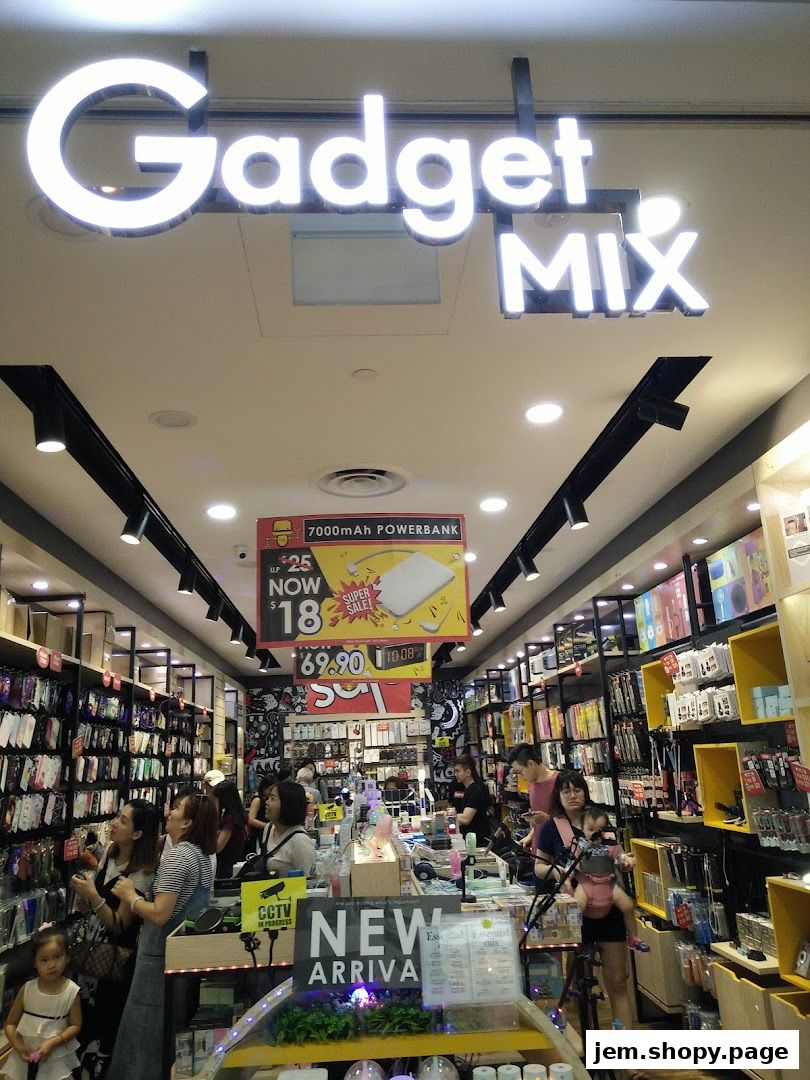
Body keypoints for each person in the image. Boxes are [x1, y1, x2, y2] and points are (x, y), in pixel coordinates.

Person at [107, 792, 217, 1080]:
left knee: (144, 1035)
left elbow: (159, 914)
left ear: (188, 823)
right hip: (179, 956)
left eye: (177, 809)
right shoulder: (201, 855)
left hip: (158, 960)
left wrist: (130, 896)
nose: (169, 813)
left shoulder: (179, 856)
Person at [534, 769, 634, 1030]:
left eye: (577, 789)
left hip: (608, 906)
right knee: (581, 982)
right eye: (566, 790)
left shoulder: (600, 820)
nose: (572, 795)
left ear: (585, 791)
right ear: (559, 795)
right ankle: (590, 1042)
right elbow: (539, 867)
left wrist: (624, 863)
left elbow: (616, 854)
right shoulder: (551, 828)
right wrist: (556, 872)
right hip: (576, 911)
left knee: (618, 980)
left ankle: (628, 1057)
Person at [70, 799, 160, 1076]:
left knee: (104, 1024)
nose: (113, 823)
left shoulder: (142, 873)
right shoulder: (109, 854)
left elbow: (120, 925)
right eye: (116, 817)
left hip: (113, 963)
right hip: (91, 955)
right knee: (81, 1022)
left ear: (137, 834)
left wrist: (94, 897)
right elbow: (97, 905)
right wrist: (86, 899)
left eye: (122, 820)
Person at [2, 925, 82, 1080]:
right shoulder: (27, 989)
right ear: (35, 962)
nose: (52, 965)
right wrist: (17, 1045)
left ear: (67, 956)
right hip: (23, 1057)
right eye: (44, 960)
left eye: (57, 957)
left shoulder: (71, 991)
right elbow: (10, 1023)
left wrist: (54, 1042)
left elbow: (76, 1025)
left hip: (55, 1058)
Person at [573, 804, 649, 954]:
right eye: (590, 830)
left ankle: (633, 938)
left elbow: (621, 856)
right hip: (586, 883)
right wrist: (565, 879)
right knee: (576, 908)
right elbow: (571, 864)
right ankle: (577, 939)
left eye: (600, 830)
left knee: (627, 906)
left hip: (608, 883)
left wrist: (626, 860)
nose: (595, 834)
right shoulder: (579, 846)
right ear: (581, 828)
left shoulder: (611, 845)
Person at [507, 742, 558, 853]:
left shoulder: (560, 782)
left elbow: (572, 820)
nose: (521, 776)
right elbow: (538, 819)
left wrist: (546, 819)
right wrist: (531, 835)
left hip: (557, 851)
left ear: (530, 764)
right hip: (538, 852)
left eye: (521, 772)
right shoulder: (531, 784)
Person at [262, 781, 317, 877]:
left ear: (286, 805)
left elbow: (308, 881)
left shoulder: (300, 840)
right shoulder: (269, 828)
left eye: (272, 798)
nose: (267, 802)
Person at [450, 753, 493, 845]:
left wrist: (448, 815)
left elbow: (466, 819)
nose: (455, 774)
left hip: (478, 840)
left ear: (468, 772)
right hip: (471, 838)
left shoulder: (475, 791)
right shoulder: (469, 790)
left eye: (458, 771)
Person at [209, 779, 247, 877]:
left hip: (227, 865)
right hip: (231, 861)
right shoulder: (234, 815)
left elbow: (218, 847)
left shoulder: (230, 818)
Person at [246, 774, 276, 853]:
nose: (272, 792)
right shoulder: (257, 800)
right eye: (270, 789)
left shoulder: (266, 798)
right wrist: (267, 826)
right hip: (257, 834)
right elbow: (251, 819)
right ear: (264, 788)